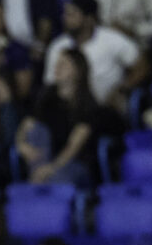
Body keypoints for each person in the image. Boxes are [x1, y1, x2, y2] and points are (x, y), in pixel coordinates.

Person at [17, 48, 110, 187]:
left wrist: (50, 168)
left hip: (73, 163)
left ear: (78, 71)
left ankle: (40, 188)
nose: (57, 67)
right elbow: (27, 124)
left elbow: (74, 146)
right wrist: (21, 144)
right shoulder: (47, 95)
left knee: (56, 179)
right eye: (57, 63)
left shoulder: (88, 104)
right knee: (37, 130)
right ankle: (37, 183)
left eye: (64, 64)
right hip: (42, 160)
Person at [44, 0, 147, 111]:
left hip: (106, 108)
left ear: (89, 19)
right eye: (65, 14)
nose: (65, 18)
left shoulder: (112, 39)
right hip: (69, 110)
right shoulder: (58, 46)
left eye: (71, 15)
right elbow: (50, 83)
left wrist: (122, 88)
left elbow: (142, 66)